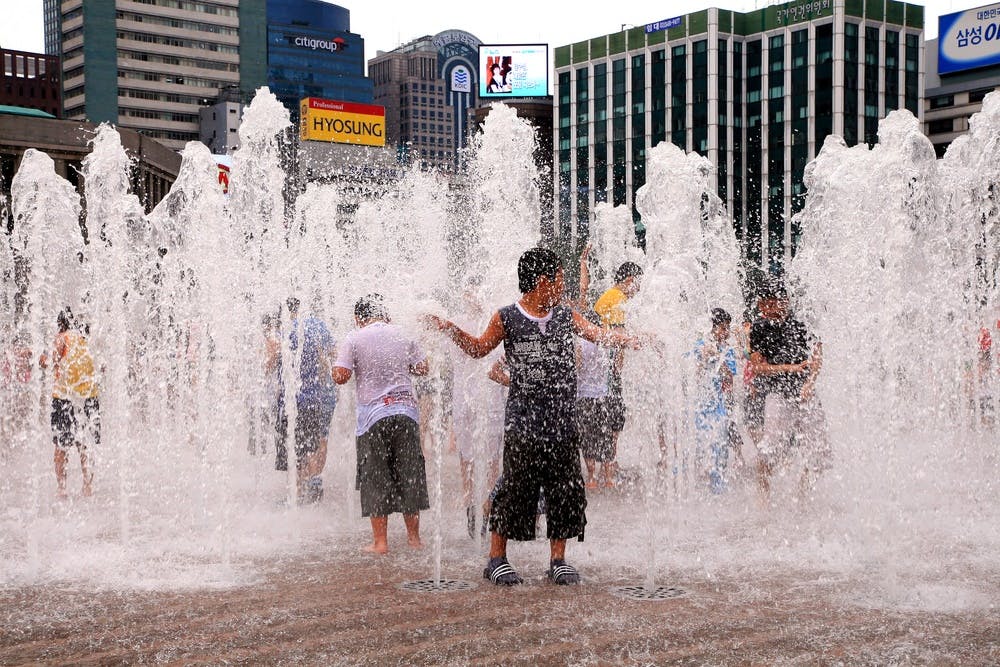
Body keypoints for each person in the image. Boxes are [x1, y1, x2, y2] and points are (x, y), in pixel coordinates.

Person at [425, 247, 641, 586]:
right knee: (514, 488)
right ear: (543, 281)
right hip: (524, 420)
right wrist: (450, 328)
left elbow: (598, 335)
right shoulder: (506, 317)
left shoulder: (565, 315)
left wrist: (632, 340)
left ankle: (558, 559)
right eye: (559, 278)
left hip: (563, 420)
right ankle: (496, 558)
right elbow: (481, 349)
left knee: (565, 489)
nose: (562, 285)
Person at [333, 294, 430, 554]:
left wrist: (336, 365)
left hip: (373, 418)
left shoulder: (354, 337)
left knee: (375, 476)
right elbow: (423, 368)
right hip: (406, 412)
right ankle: (414, 539)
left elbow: (341, 376)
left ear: (358, 318)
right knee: (409, 474)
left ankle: (381, 542)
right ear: (385, 314)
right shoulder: (403, 334)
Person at [747, 281, 830, 502]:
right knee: (768, 452)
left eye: (769, 305)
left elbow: (817, 356)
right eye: (762, 306)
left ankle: (801, 495)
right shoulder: (759, 328)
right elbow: (757, 367)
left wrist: (809, 383)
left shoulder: (802, 323)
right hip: (778, 395)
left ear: (784, 302)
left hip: (806, 395)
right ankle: (762, 501)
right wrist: (789, 368)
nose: (765, 310)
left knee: (820, 454)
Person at [594, 261, 644, 486]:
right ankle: (609, 468)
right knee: (613, 419)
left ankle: (609, 465)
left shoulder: (611, 296)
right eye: (639, 284)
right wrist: (617, 371)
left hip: (602, 370)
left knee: (612, 419)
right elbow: (617, 335)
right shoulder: (616, 299)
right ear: (630, 281)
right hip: (606, 371)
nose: (640, 290)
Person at [284, 297, 337, 504]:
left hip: (300, 397)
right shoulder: (319, 325)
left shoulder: (289, 328)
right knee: (321, 438)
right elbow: (334, 353)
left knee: (299, 444)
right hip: (324, 394)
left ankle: (299, 489)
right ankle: (315, 480)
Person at [43, 309, 99, 499]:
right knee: (85, 443)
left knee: (61, 445)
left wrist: (41, 358)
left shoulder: (62, 337)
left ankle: (62, 489)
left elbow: (48, 360)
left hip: (65, 398)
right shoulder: (85, 339)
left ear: (60, 325)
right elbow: (102, 366)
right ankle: (87, 486)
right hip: (88, 398)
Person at [692, 308, 739, 494]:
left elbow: (730, 378)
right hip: (698, 405)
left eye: (727, 328)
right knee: (698, 445)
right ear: (712, 328)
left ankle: (718, 484)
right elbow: (690, 375)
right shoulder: (699, 346)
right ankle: (694, 486)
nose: (726, 332)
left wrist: (720, 359)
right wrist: (703, 358)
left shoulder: (727, 350)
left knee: (720, 445)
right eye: (723, 328)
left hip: (718, 405)